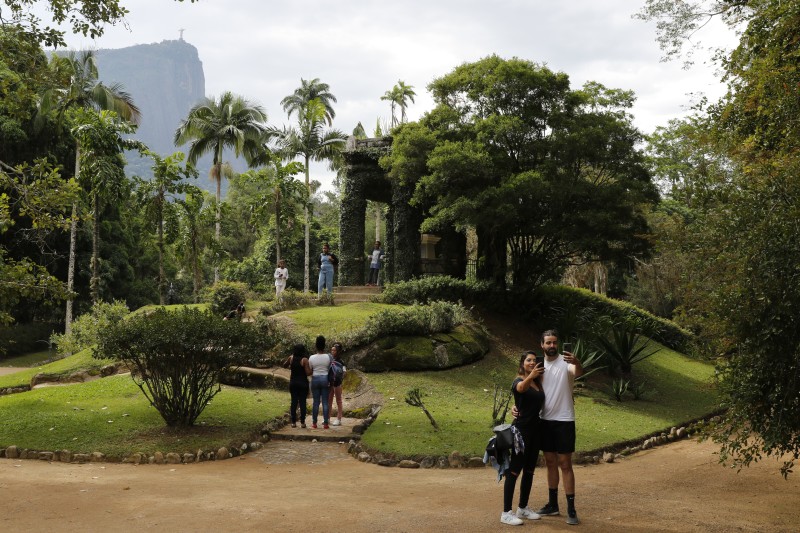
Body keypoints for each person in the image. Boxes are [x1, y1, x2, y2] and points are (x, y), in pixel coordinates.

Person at [536, 329, 584, 526]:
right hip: (545, 420)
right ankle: (553, 504)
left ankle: (571, 508)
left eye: (555, 342)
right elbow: (527, 387)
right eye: (548, 342)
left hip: (564, 419)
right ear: (542, 345)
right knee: (549, 462)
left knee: (565, 463)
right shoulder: (538, 366)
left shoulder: (567, 363)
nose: (552, 345)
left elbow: (578, 372)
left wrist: (577, 362)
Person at [500, 351, 545, 526]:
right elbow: (520, 389)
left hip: (536, 431)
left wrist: (534, 377)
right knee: (514, 470)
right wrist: (531, 375)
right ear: (522, 363)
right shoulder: (519, 380)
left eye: (534, 360)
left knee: (530, 470)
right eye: (528, 360)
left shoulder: (537, 383)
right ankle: (506, 513)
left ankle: (523, 508)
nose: (532, 362)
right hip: (521, 432)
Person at [282, 343, 311, 428]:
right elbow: (307, 373)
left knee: (294, 402)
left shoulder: (291, 358)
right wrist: (313, 370)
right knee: (302, 402)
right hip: (303, 384)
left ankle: (293, 422)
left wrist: (289, 365)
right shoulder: (304, 360)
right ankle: (302, 422)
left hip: (293, 383)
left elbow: (284, 365)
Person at [308, 335, 332, 429]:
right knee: (325, 402)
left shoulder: (311, 357)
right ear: (324, 345)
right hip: (325, 379)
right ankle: (326, 423)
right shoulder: (328, 357)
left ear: (316, 345)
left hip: (315, 379)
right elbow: (331, 368)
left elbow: (310, 370)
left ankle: (314, 423)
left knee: (316, 402)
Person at [327, 342, 346, 426]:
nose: (332, 352)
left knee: (338, 400)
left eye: (334, 350)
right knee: (329, 400)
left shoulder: (341, 361)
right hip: (330, 382)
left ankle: (339, 419)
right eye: (332, 350)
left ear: (338, 351)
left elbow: (344, 372)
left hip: (337, 383)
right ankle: (327, 418)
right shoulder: (329, 360)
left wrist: (339, 378)